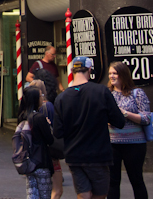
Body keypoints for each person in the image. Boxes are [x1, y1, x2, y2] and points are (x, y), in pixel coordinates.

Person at [54, 56, 126, 199]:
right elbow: (119, 121)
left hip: (74, 155)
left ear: (71, 70)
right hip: (98, 155)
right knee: (100, 194)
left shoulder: (61, 98)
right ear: (90, 70)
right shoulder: (101, 92)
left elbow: (58, 131)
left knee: (83, 194)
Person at [107, 62, 151, 199]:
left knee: (136, 179)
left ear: (123, 74)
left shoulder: (137, 93)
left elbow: (146, 118)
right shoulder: (108, 94)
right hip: (112, 143)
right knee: (112, 181)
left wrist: (124, 113)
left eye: (115, 73)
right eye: (110, 73)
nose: (112, 76)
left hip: (135, 144)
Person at [19, 87, 54, 199]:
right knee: (44, 194)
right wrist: (48, 126)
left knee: (32, 194)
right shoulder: (39, 118)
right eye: (40, 96)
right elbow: (50, 140)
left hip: (29, 161)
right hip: (41, 161)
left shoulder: (22, 117)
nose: (42, 98)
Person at [32, 79, 63, 199]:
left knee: (39, 190)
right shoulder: (48, 106)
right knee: (57, 190)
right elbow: (53, 131)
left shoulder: (28, 112)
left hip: (35, 155)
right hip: (50, 155)